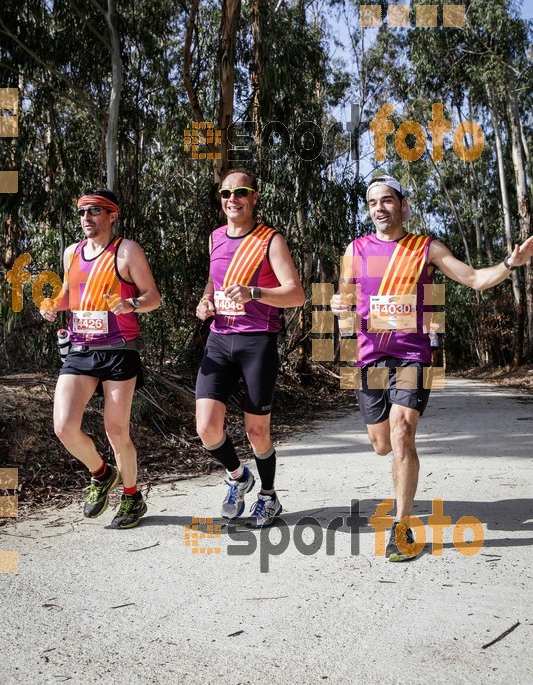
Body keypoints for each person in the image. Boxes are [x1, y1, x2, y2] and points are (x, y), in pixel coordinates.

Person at [332, 175, 533, 562]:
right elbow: (344, 296)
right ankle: (400, 478)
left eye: (387, 200)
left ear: (403, 206)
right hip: (370, 356)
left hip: (413, 354)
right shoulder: (355, 250)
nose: (379, 208)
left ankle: (401, 526)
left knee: (402, 432)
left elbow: (474, 278)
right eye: (373, 202)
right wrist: (341, 309)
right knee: (382, 444)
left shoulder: (425, 248)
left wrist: (511, 263)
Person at [40, 188, 161, 529]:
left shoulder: (126, 251)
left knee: (116, 430)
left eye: (94, 211)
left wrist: (132, 304)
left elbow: (154, 297)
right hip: (80, 348)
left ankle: (132, 496)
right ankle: (101, 472)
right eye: (82, 213)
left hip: (120, 349)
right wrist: (52, 306)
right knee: (63, 426)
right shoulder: (71, 253)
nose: (86, 218)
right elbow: (69, 294)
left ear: (112, 215)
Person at [195, 169, 305, 527]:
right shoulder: (214, 238)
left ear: (254, 197)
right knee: (207, 428)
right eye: (225, 193)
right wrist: (205, 301)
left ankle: (269, 497)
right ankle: (238, 475)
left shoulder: (270, 240)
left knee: (257, 431)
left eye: (240, 192)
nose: (232, 199)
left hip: (257, 340)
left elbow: (296, 293)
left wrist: (254, 293)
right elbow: (214, 281)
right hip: (219, 339)